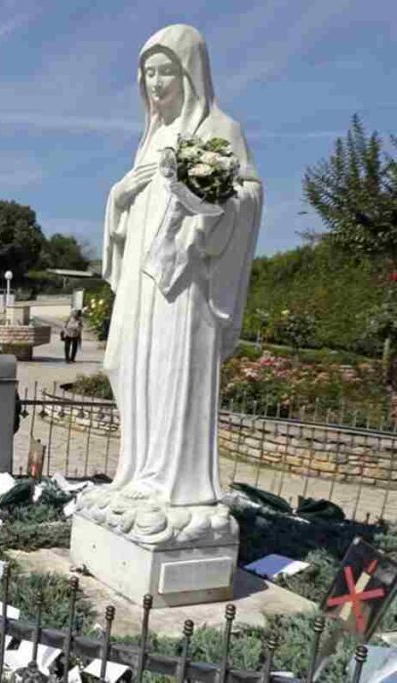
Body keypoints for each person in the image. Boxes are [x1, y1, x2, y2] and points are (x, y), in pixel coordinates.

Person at [101, 25, 262, 505]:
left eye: (165, 71)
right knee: (122, 363)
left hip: (185, 280)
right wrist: (119, 194)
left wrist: (207, 205)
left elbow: (248, 194)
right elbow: (130, 211)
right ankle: (136, 473)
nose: (155, 83)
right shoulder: (150, 138)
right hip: (139, 280)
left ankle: (173, 485)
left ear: (189, 72)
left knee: (172, 372)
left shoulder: (220, 130)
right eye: (148, 73)